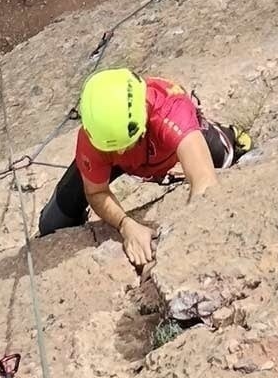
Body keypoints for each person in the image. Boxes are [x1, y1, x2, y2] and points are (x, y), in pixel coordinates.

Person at [37, 68, 250, 266]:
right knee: (52, 223)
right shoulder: (95, 136)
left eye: (126, 145)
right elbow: (96, 191)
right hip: (121, 157)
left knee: (224, 156)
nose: (121, 152)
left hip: (168, 142)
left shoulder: (170, 109)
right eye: (115, 148)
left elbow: (203, 181)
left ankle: (224, 133)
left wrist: (185, 241)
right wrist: (125, 224)